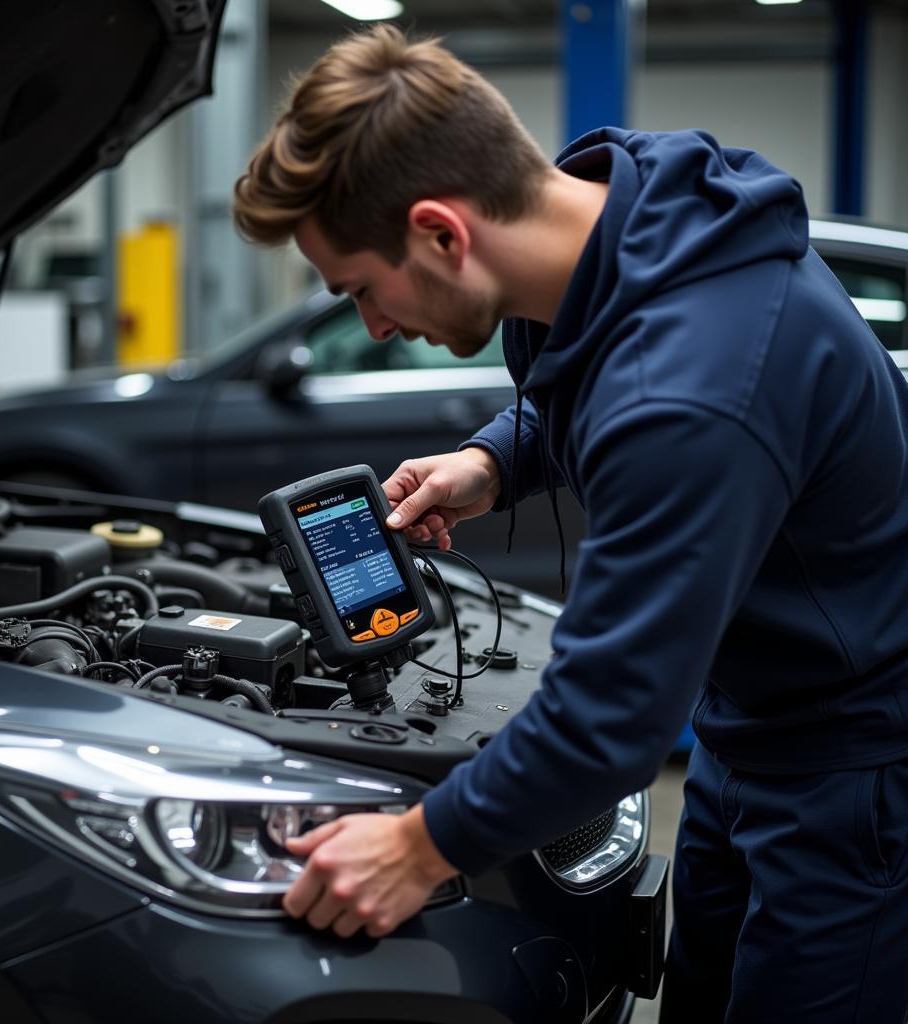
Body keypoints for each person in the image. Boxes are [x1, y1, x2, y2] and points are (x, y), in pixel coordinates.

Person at [232, 24, 908, 1023]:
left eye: (360, 290)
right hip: (752, 733)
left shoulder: (695, 392)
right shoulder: (632, 222)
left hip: (849, 782)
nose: (372, 326)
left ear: (440, 233)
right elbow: (589, 378)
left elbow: (612, 719)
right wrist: (493, 460)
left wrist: (418, 846)